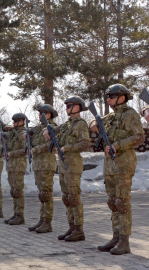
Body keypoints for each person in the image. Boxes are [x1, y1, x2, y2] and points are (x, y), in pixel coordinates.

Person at [90, 84, 144, 255]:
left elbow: (139, 136)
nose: (109, 99)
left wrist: (117, 145)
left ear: (122, 97)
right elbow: (94, 123)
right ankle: (115, 237)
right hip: (110, 166)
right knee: (113, 202)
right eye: (108, 96)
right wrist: (93, 123)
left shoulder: (130, 115)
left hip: (123, 164)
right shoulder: (110, 117)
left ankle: (124, 241)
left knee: (122, 203)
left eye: (112, 96)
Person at [44, 96, 90, 241]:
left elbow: (85, 144)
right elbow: (53, 131)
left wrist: (67, 148)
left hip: (73, 164)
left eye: (69, 105)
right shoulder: (66, 125)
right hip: (63, 165)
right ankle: (71, 227)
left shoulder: (80, 124)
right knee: (66, 197)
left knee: (74, 197)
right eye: (66, 105)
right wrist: (48, 129)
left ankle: (79, 229)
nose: (66, 108)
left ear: (78, 107)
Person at [25, 104, 58, 233]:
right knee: (41, 194)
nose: (39, 115)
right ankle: (42, 219)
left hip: (46, 164)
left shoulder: (52, 127)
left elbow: (50, 143)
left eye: (42, 113)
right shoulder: (38, 129)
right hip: (38, 164)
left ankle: (47, 222)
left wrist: (35, 149)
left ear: (49, 114)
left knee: (46, 193)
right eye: (39, 113)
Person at [1, 113, 28, 225]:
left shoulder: (23, 133)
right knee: (13, 190)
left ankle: (20, 215)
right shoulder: (13, 133)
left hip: (18, 164)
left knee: (18, 190)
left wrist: (11, 154)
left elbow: (25, 150)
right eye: (14, 121)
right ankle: (16, 213)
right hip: (11, 165)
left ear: (22, 121)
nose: (14, 123)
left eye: (16, 121)